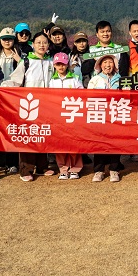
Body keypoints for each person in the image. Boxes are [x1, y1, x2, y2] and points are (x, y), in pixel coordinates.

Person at [1, 32, 55, 181]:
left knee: (43, 134)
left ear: (48, 45)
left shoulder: (51, 62)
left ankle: (42, 166)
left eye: (45, 42)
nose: (42, 45)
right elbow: (15, 80)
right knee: (29, 136)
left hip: (47, 105)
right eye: (38, 42)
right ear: (33, 45)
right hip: (29, 105)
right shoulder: (27, 62)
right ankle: (26, 169)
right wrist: (2, 88)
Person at [87, 54, 124, 182]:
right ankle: (99, 170)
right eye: (105, 62)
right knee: (99, 143)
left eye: (110, 62)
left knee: (115, 142)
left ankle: (114, 169)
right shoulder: (95, 80)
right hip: (100, 115)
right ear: (99, 65)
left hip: (116, 116)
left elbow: (127, 96)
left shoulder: (121, 79)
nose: (108, 65)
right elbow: (88, 97)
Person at [48, 52, 85, 180]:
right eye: (58, 64)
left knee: (74, 142)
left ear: (67, 64)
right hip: (58, 116)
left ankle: (75, 168)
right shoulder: (52, 81)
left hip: (73, 115)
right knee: (60, 143)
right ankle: (63, 168)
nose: (61, 67)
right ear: (54, 65)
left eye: (63, 64)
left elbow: (82, 94)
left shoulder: (75, 78)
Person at [0, 27, 21, 174]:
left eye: (10, 39)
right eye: (4, 39)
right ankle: (0, 161)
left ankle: (12, 162)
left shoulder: (20, 55)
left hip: (14, 96)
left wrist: (20, 61)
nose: (7, 42)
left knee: (12, 128)